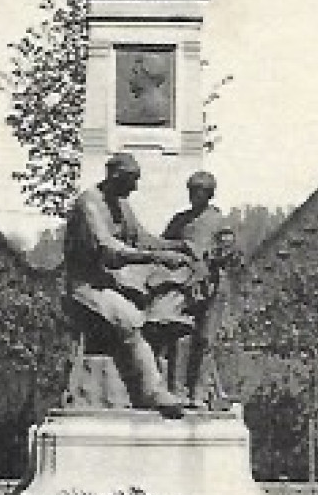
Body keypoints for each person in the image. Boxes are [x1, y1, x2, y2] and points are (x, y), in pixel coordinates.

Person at [62, 153, 194, 415]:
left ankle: (175, 382)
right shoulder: (89, 203)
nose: (135, 188)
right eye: (131, 181)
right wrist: (157, 257)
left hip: (112, 283)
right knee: (131, 320)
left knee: (163, 300)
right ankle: (152, 391)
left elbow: (141, 239)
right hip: (86, 287)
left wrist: (176, 246)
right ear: (114, 176)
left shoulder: (121, 204)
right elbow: (110, 250)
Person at [155, 171, 238, 406]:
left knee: (205, 339)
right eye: (191, 192)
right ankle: (177, 390)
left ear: (209, 194)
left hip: (212, 288)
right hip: (184, 287)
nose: (194, 197)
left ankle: (199, 392)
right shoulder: (180, 221)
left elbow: (228, 253)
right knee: (180, 337)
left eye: (200, 192)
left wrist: (213, 259)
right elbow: (163, 245)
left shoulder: (220, 222)